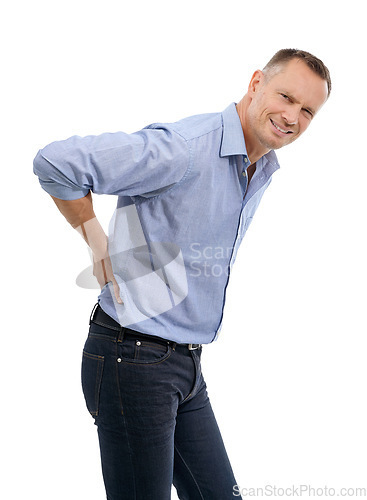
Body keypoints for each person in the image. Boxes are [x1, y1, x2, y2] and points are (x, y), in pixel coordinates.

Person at [33, 48, 331, 500]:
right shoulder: (185, 148)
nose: (292, 116)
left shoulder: (260, 164)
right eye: (286, 96)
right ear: (256, 84)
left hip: (185, 366)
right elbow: (55, 162)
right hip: (131, 360)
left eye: (307, 110)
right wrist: (95, 238)